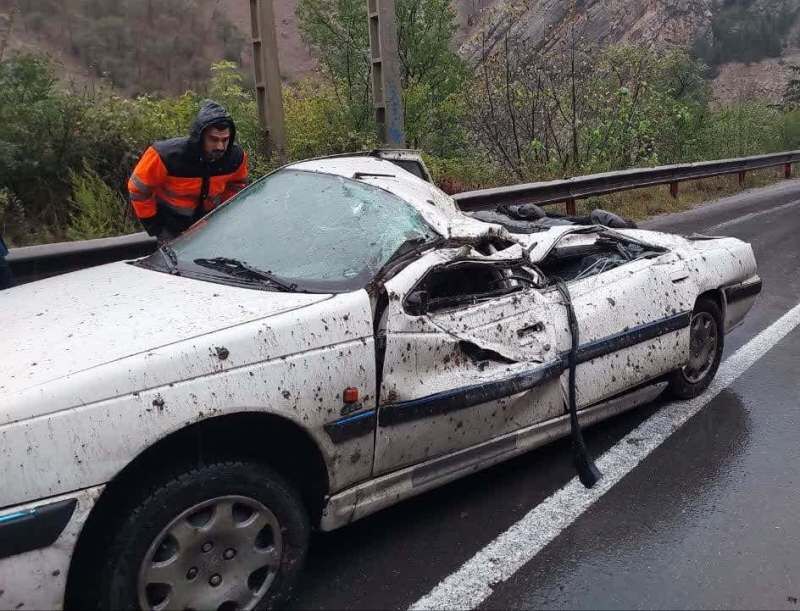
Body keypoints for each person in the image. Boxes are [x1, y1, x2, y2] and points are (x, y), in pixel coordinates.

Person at [128, 100, 249, 242]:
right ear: (200, 136)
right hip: (171, 229)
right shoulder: (165, 156)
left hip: (212, 227)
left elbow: (238, 186)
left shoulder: (235, 157)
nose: (220, 146)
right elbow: (138, 190)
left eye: (225, 140)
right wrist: (156, 227)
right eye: (213, 139)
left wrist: (223, 217)